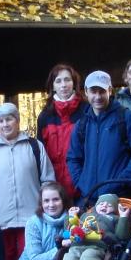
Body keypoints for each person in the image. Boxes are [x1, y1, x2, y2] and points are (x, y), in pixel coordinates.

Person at [0, 102, 56, 260]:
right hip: (0, 219)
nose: (5, 124)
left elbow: (48, 181)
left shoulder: (35, 146)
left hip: (31, 218)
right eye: (1, 121)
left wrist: (42, 205)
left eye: (9, 119)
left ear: (17, 121)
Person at [66, 71, 131, 202]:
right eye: (93, 91)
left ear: (110, 90)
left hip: (120, 197)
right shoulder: (81, 125)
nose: (98, 96)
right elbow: (73, 158)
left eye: (102, 91)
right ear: (86, 92)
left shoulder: (126, 118)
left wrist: (123, 180)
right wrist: (81, 182)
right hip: (89, 198)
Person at [36, 64, 89, 198]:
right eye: (58, 81)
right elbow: (41, 155)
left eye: (67, 80)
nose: (63, 85)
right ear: (53, 86)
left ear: (74, 83)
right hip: (55, 189)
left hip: (84, 186)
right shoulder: (44, 116)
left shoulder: (87, 111)